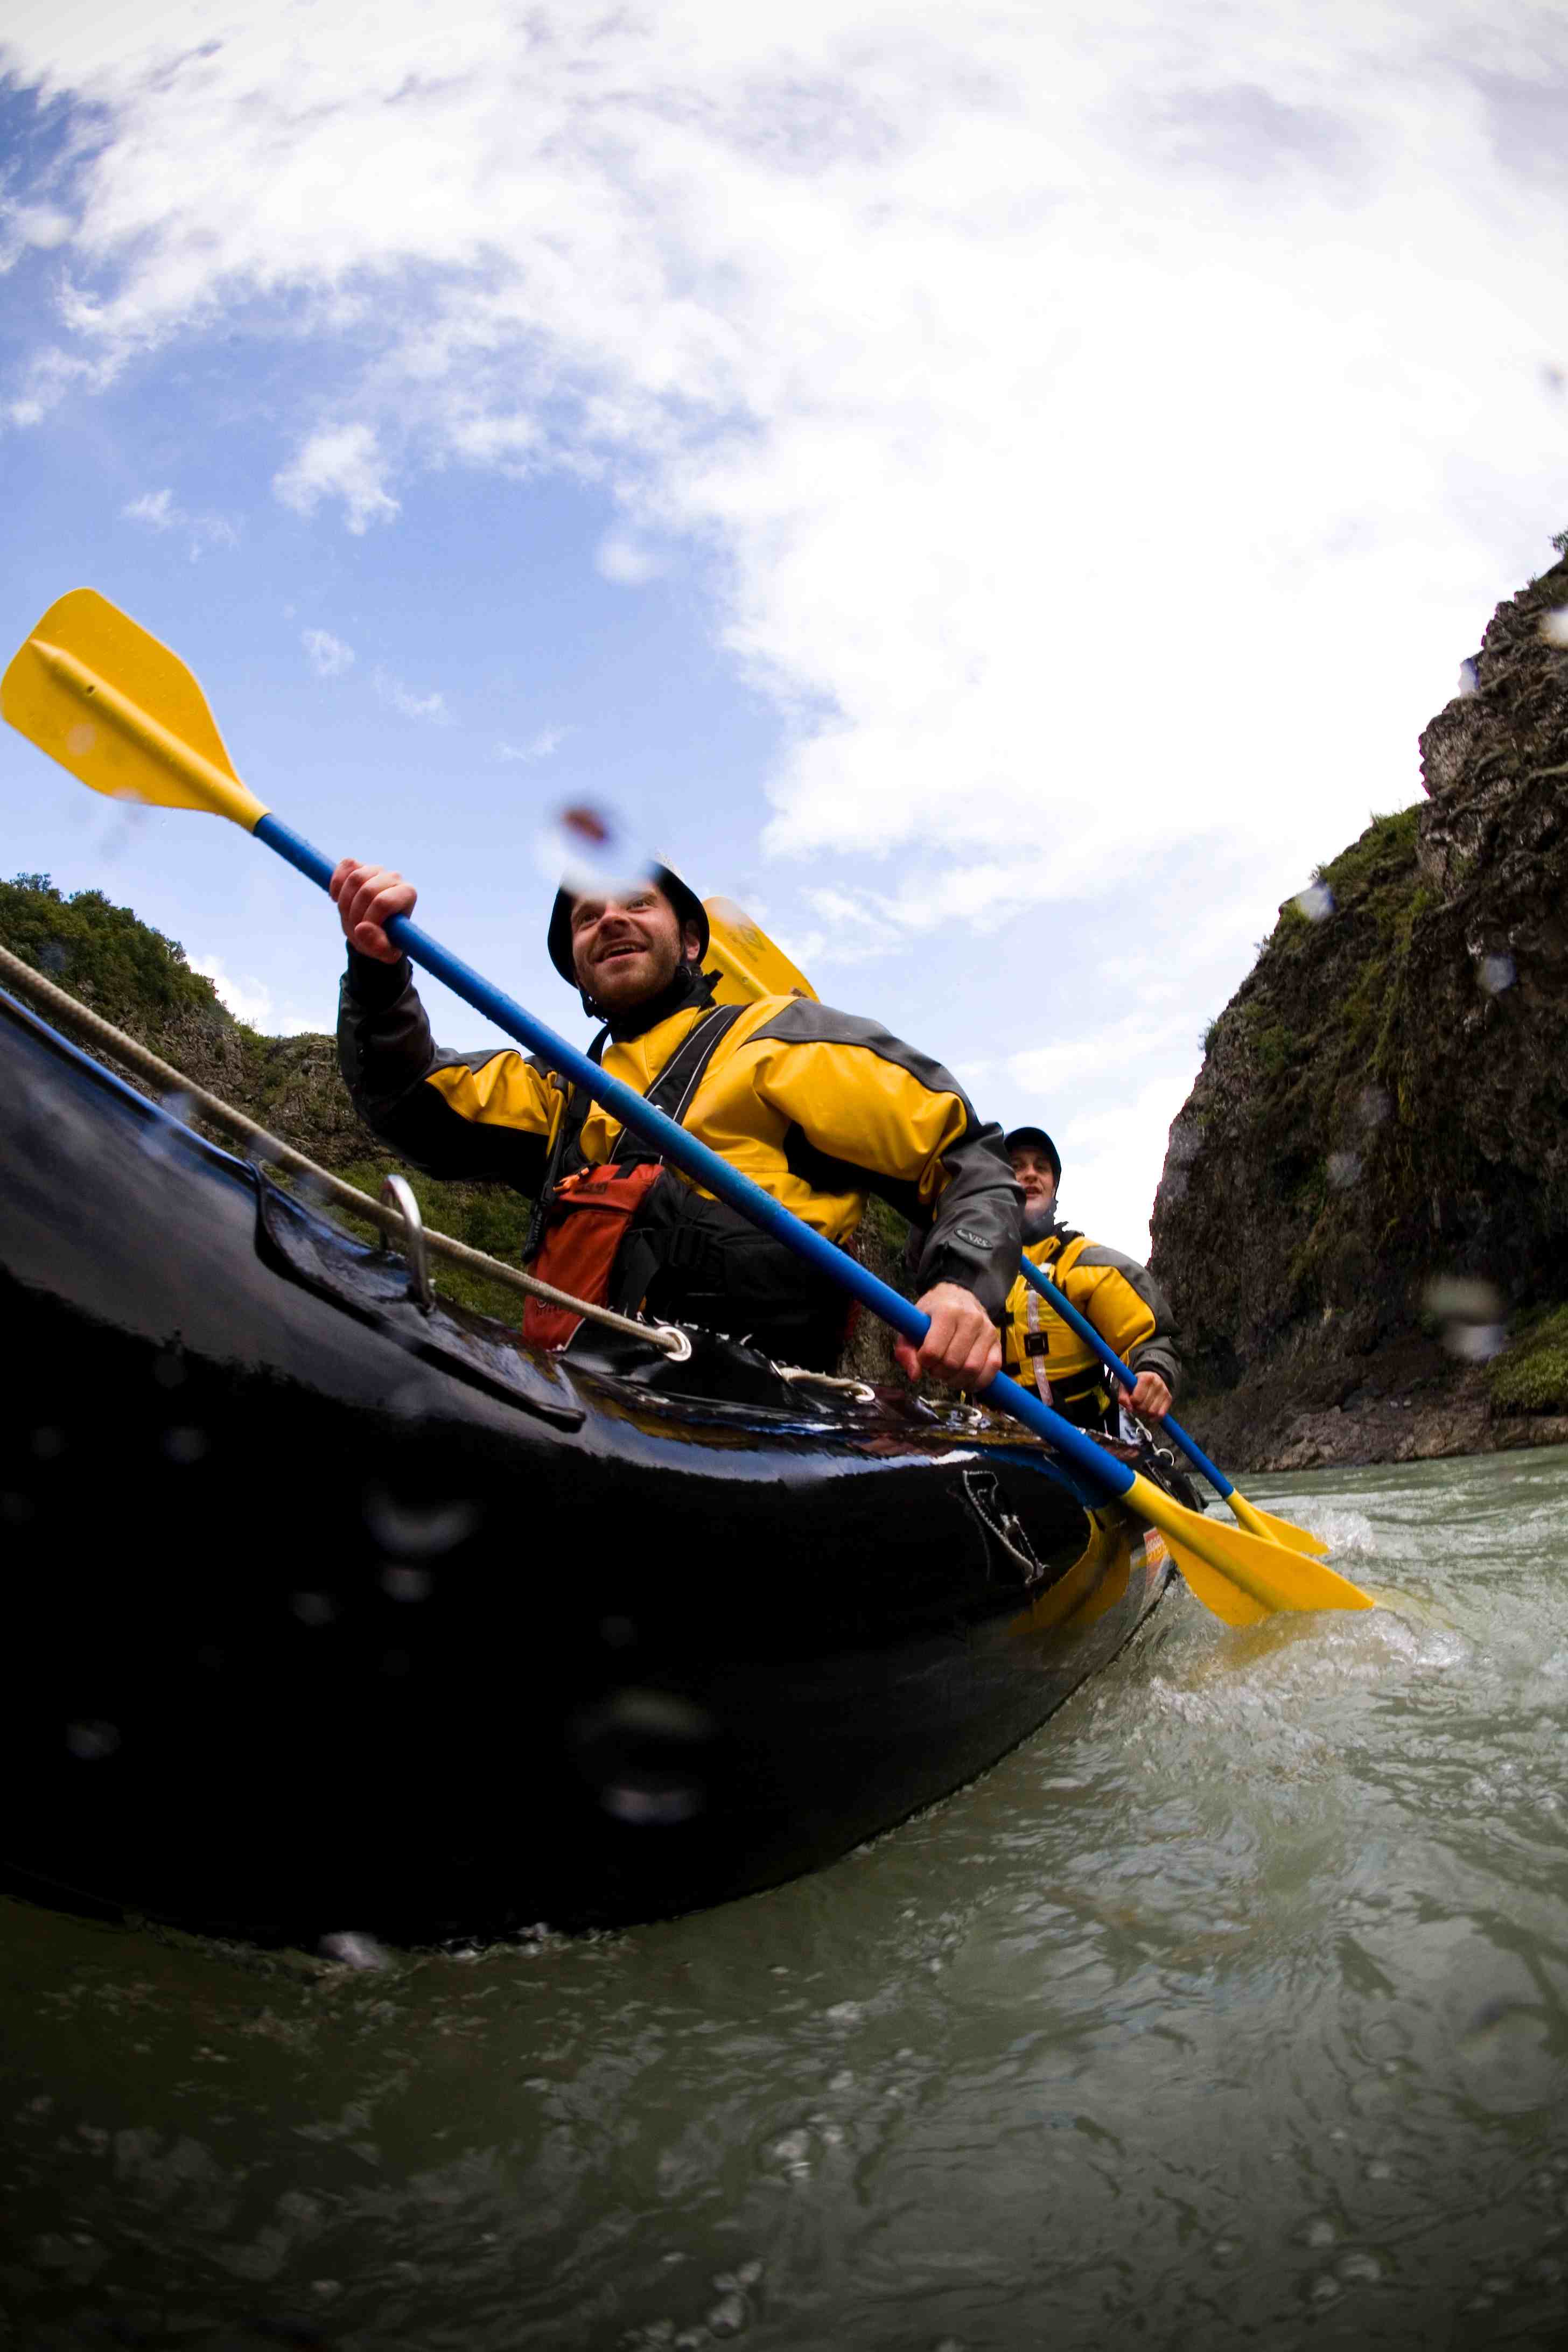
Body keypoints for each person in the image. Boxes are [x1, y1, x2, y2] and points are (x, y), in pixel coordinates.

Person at [332, 857, 1021, 1387]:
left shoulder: (783, 1039)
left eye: (637, 903)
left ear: (691, 941)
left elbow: (965, 1159)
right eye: (586, 918)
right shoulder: (557, 1092)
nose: (609, 919)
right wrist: (376, 971)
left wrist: (962, 1284)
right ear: (579, 970)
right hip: (582, 1393)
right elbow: (408, 1098)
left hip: (763, 1400)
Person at [1000, 1125, 1181, 1432]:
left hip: (1082, 1444)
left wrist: (1153, 1370)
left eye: (1041, 1168)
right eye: (1017, 1167)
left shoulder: (1082, 1263)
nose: (1030, 1174)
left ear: (1054, 1187)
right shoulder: (972, 1268)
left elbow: (1147, 1338)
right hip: (993, 1440)